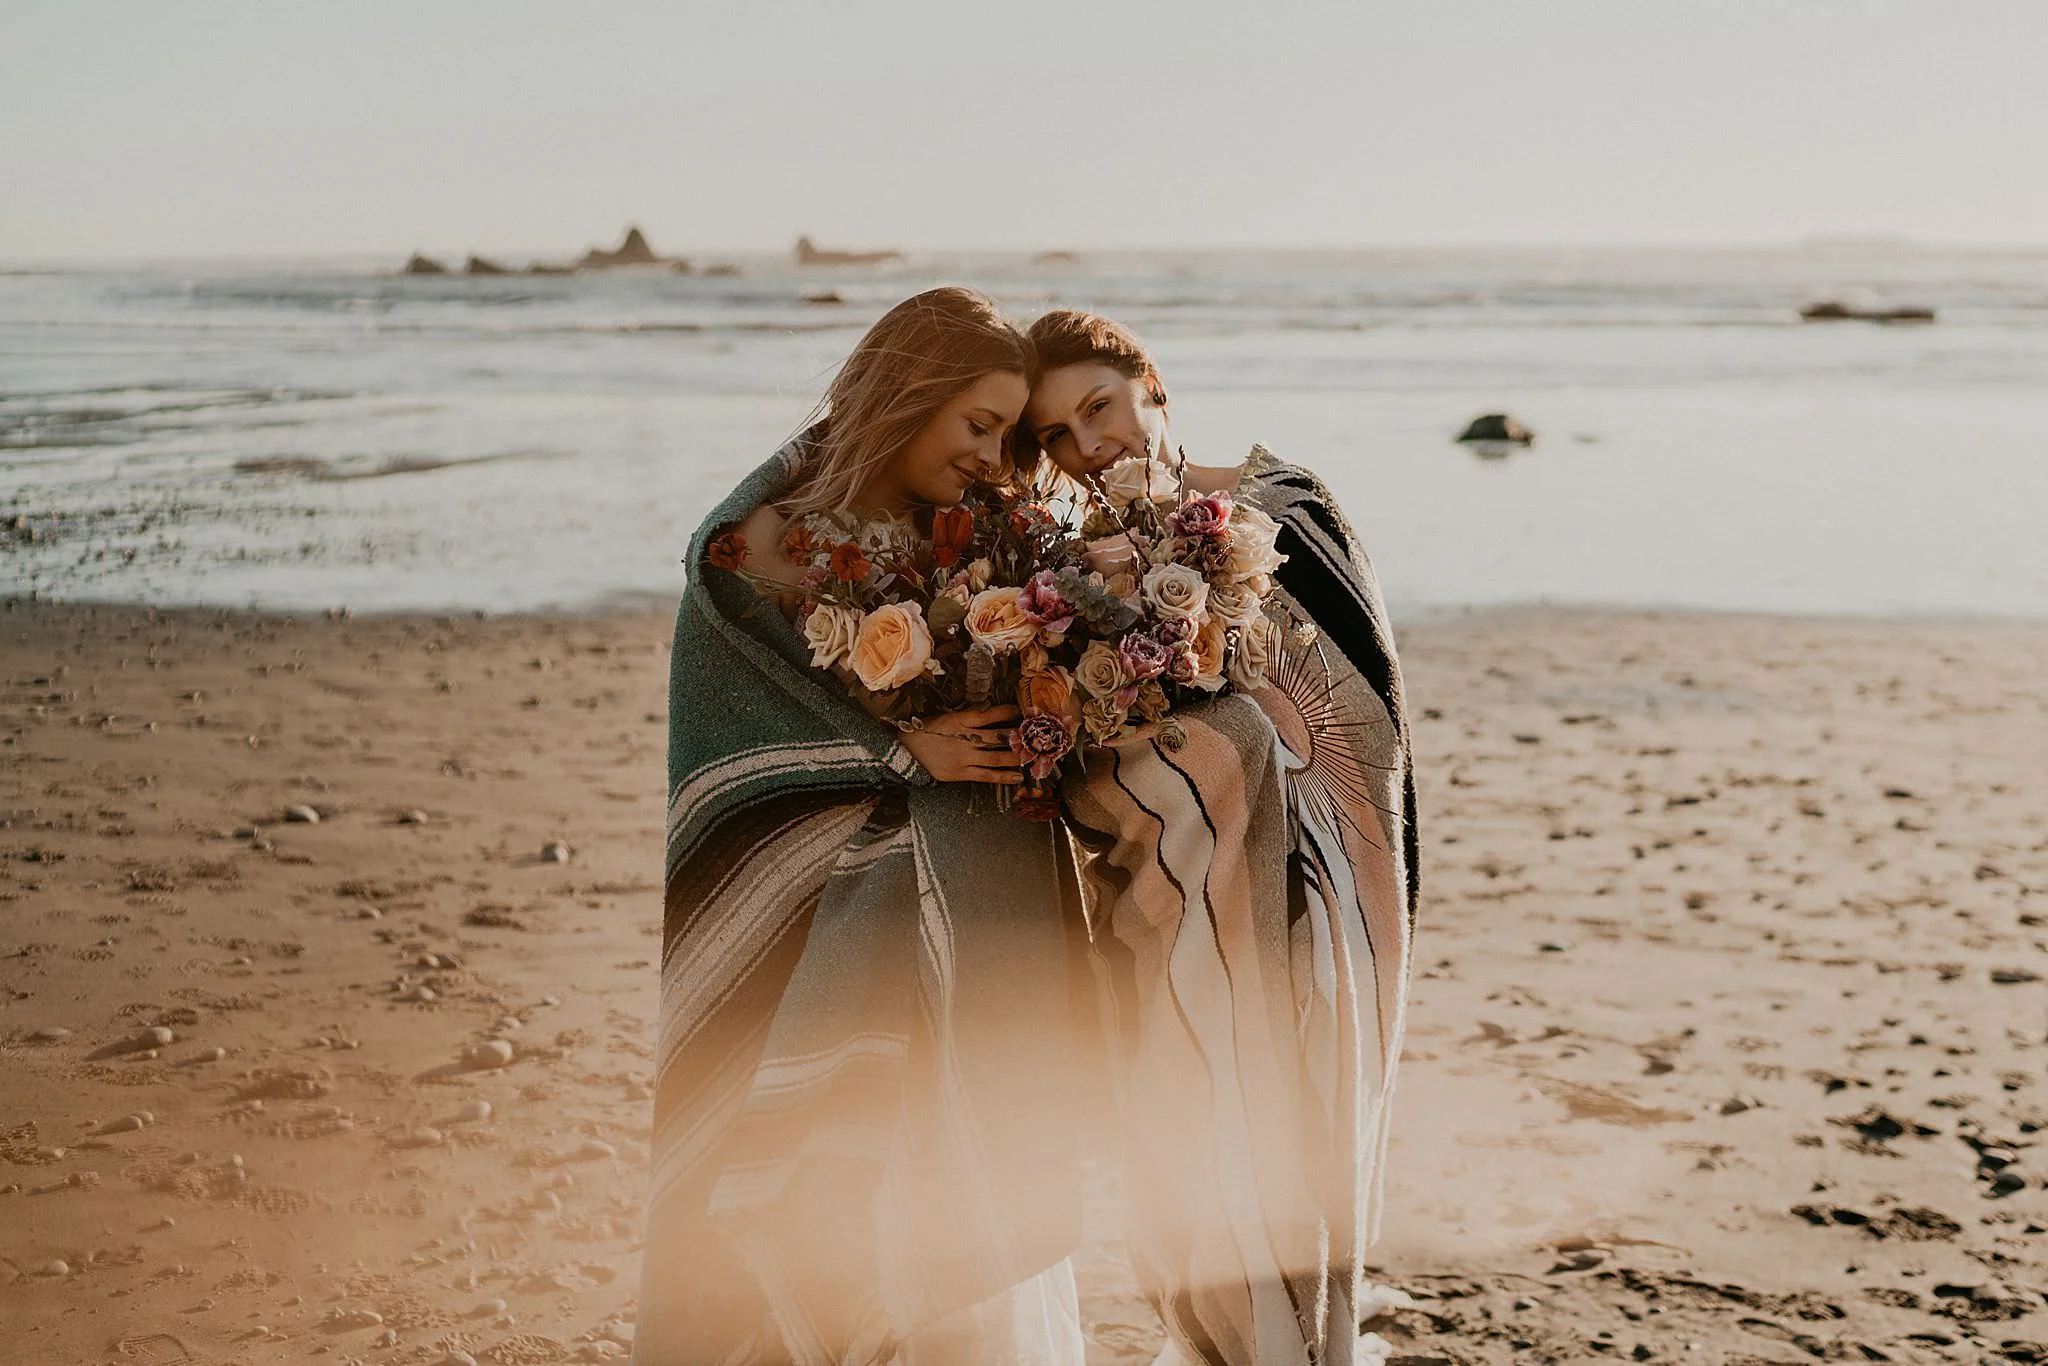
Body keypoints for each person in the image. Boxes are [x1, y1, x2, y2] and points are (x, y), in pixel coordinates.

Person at [639, 288, 1093, 1366]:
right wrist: (898, 752)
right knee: (825, 1186)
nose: (992, 457)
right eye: (976, 424)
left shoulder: (990, 539)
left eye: (1006, 434)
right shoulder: (762, 542)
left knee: (953, 1197)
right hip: (820, 919)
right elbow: (732, 749)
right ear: (907, 396)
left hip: (964, 907)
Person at [1015, 309, 1420, 1366]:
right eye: (1056, 434)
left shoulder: (1285, 500)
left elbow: (1363, 701)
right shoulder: (1069, 572)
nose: (1087, 443)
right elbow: (1094, 761)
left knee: (1307, 1118)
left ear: (1151, 384)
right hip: (1187, 902)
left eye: (1099, 406)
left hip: (1336, 876)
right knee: (1195, 1115)